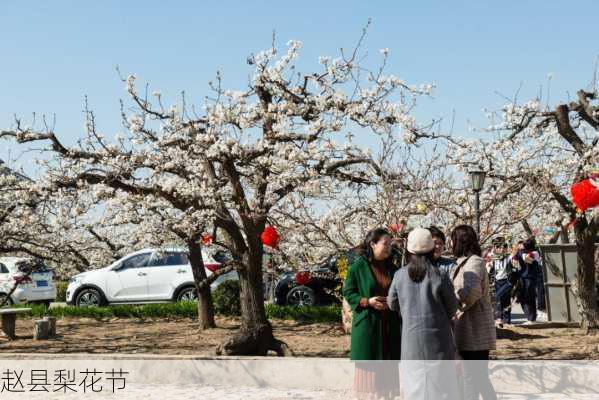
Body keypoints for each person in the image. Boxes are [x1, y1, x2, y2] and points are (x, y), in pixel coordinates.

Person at [387, 228, 460, 400]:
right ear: (430, 249)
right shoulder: (439, 275)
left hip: (411, 341)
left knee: (414, 388)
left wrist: (406, 310)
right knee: (442, 389)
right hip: (438, 342)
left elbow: (392, 303)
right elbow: (452, 307)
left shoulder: (399, 276)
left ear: (409, 250)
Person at [342, 228, 402, 399]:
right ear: (373, 244)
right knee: (368, 382)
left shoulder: (393, 268)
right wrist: (366, 301)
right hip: (368, 325)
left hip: (389, 323)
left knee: (388, 375)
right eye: (385, 243)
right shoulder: (358, 267)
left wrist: (392, 303)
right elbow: (348, 291)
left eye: (390, 243)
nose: (389, 247)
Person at [450, 225, 497, 400]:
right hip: (467, 329)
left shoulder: (474, 261)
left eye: (452, 238)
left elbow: (471, 292)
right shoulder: (464, 261)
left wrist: (455, 306)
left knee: (472, 378)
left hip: (475, 328)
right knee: (479, 379)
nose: (451, 242)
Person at [487, 236, 516, 327]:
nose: (501, 249)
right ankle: (506, 321)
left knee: (497, 297)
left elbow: (514, 254)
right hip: (498, 282)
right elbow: (489, 264)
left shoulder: (509, 257)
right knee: (505, 301)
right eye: (499, 248)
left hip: (507, 282)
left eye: (503, 248)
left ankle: (499, 318)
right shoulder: (494, 258)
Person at [513, 237, 542, 324]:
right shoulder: (521, 252)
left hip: (530, 278)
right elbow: (514, 260)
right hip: (522, 278)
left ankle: (531, 318)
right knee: (522, 297)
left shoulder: (535, 253)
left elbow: (527, 259)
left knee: (529, 298)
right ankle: (529, 316)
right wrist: (517, 252)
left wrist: (520, 252)